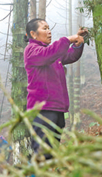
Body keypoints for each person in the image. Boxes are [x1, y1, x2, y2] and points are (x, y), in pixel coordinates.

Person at [24, 18, 87, 159]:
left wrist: (77, 43)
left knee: (51, 154)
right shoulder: (32, 51)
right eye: (44, 28)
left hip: (57, 109)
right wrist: (68, 39)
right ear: (33, 34)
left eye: (49, 28)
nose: (49, 31)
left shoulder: (51, 53)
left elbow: (70, 56)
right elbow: (49, 54)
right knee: (42, 153)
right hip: (42, 110)